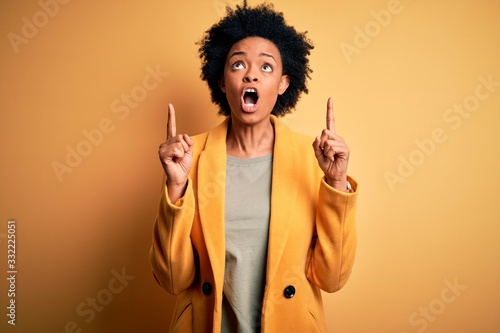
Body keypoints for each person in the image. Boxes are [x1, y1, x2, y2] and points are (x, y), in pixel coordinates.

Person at [149, 2, 358, 332]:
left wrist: (336, 182)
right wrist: (176, 188)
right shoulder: (191, 156)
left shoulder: (315, 156)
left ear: (283, 83)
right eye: (238, 65)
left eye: (265, 67)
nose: (250, 73)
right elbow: (173, 280)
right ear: (222, 82)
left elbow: (331, 279)